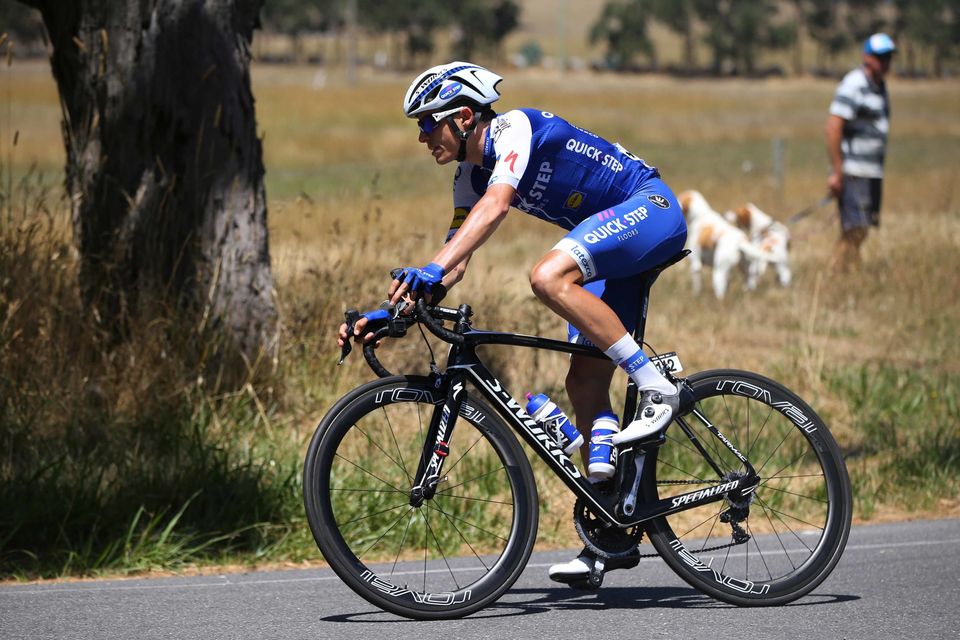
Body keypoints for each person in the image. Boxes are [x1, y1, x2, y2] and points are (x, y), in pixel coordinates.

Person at [338, 61, 692, 586]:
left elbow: (497, 207)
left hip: (650, 209)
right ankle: (611, 536)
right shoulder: (467, 176)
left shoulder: (514, 131)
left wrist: (432, 269)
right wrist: (395, 311)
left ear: (462, 116)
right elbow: (454, 259)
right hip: (610, 243)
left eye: (427, 123)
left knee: (547, 276)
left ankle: (656, 386)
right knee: (584, 383)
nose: (420, 137)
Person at [825, 33, 896, 272]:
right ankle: (837, 273)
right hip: (853, 171)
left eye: (888, 57)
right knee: (855, 228)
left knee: (862, 228)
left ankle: (849, 274)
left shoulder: (879, 86)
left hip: (871, 170)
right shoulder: (854, 84)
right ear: (867, 57)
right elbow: (834, 127)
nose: (885, 62)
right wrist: (838, 172)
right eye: (880, 57)